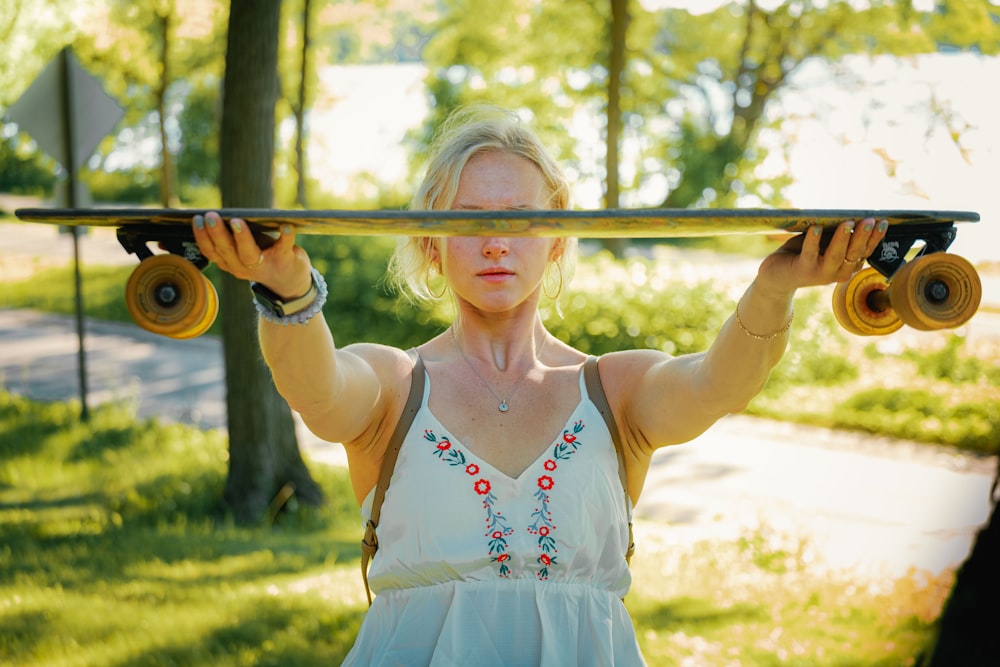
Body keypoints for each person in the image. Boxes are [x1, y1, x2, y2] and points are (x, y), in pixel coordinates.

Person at [192, 105, 888, 665]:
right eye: (469, 223)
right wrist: (288, 294)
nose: (496, 243)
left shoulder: (615, 389)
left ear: (557, 237)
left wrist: (774, 287)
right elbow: (315, 388)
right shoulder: (394, 383)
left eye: (520, 220)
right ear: (432, 243)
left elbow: (715, 385)